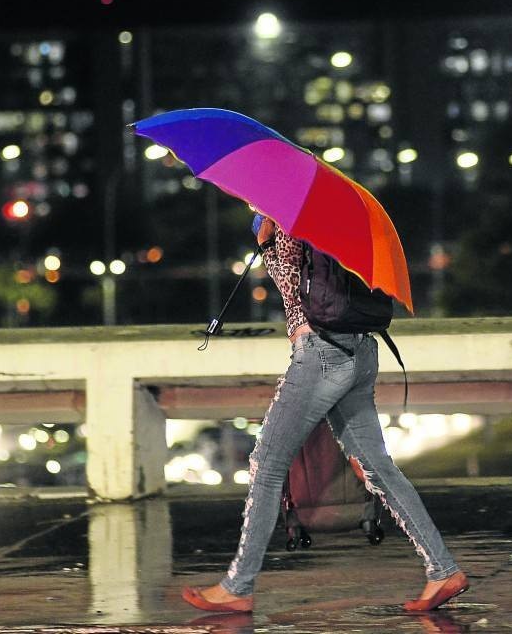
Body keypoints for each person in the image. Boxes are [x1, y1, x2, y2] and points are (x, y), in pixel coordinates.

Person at [181, 216, 467, 613]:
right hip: (361, 349)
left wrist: (266, 241)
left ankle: (238, 585)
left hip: (321, 354)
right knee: (379, 468)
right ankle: (443, 569)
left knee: (267, 465)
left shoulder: (290, 220)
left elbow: (293, 292)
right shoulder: (334, 219)